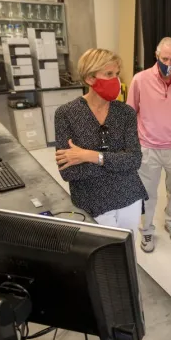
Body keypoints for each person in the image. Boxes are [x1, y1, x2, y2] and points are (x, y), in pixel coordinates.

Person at [55, 48, 147, 236]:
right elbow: (69, 171)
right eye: (109, 74)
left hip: (128, 195)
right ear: (90, 78)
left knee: (127, 251)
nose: (117, 80)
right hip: (91, 200)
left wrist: (89, 156)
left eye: (117, 74)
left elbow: (134, 160)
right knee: (103, 257)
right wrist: (117, 162)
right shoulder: (66, 114)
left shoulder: (126, 113)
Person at [127, 37, 171, 253]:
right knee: (147, 192)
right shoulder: (140, 80)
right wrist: (133, 145)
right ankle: (146, 229)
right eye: (164, 58)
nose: (168, 63)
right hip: (148, 147)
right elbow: (130, 114)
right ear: (157, 56)